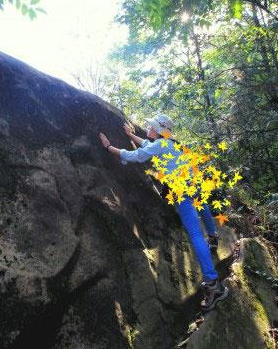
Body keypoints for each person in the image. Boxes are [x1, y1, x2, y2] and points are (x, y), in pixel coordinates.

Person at [98, 113, 229, 311]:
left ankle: (213, 285)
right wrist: (132, 136)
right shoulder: (173, 143)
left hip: (181, 192)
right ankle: (213, 236)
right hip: (194, 185)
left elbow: (136, 155)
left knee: (195, 235)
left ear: (158, 130)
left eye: (150, 126)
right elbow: (149, 147)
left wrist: (109, 148)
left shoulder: (161, 144)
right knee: (204, 210)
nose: (147, 128)